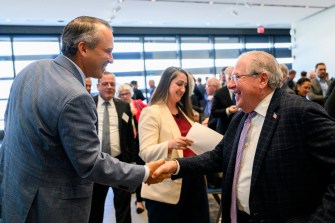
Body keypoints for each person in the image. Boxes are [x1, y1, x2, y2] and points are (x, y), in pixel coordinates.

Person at [0, 16, 166, 223]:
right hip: (51, 208)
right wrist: (144, 172)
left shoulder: (32, 70)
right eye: (108, 51)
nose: (111, 59)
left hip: (15, 195)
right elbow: (90, 163)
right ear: (83, 48)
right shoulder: (77, 97)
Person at [153, 51, 335, 223]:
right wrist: (175, 166)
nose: (230, 85)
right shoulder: (241, 116)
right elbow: (219, 156)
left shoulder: (301, 113)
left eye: (237, 78)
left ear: (262, 79)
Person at [139, 66, 210, 223]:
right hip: (167, 187)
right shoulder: (152, 112)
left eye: (185, 85)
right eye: (179, 84)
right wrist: (170, 144)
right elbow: (145, 152)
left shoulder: (186, 112)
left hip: (195, 181)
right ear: (166, 83)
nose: (183, 89)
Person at [89, 72, 137, 223]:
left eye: (112, 84)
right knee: (94, 208)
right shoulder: (88, 103)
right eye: (105, 84)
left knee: (123, 207)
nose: (109, 87)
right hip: (96, 164)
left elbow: (130, 136)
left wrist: (131, 162)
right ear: (98, 86)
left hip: (119, 163)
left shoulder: (124, 106)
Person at [117, 83, 147, 214]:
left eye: (127, 93)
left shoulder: (139, 103)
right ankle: (139, 200)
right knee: (137, 172)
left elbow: (149, 115)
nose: (125, 96)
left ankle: (145, 198)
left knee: (146, 169)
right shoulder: (119, 108)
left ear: (131, 94)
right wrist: (129, 114)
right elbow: (120, 128)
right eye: (122, 94)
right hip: (130, 146)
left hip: (143, 141)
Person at [210, 66, 238, 135]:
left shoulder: (242, 90)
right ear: (225, 78)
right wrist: (228, 110)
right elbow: (213, 112)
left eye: (234, 77)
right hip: (224, 129)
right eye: (229, 78)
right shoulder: (219, 92)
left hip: (238, 128)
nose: (232, 80)